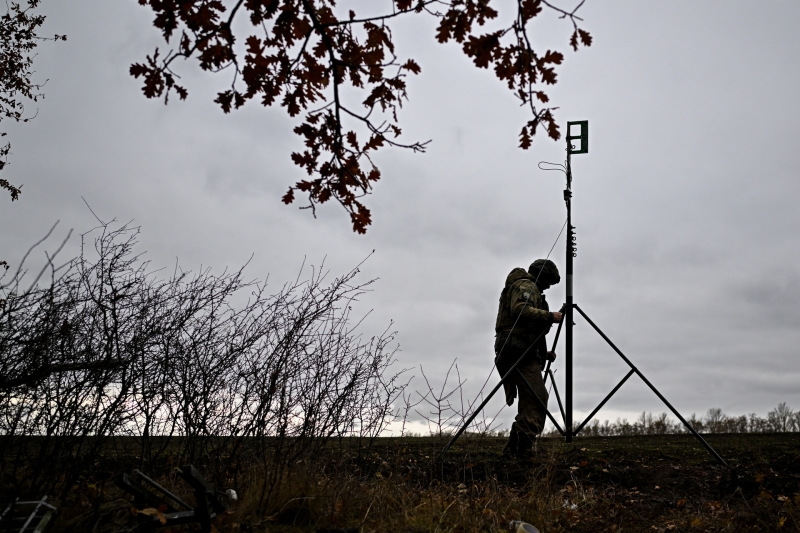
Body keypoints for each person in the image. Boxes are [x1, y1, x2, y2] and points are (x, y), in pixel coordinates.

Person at [494, 259, 563, 457]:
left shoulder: (526, 286)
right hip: (517, 351)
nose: (548, 287)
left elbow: (530, 330)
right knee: (536, 399)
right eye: (548, 282)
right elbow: (520, 310)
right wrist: (550, 316)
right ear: (542, 275)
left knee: (529, 399)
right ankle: (523, 450)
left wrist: (543, 353)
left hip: (517, 350)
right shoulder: (526, 285)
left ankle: (514, 451)